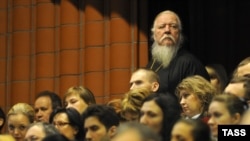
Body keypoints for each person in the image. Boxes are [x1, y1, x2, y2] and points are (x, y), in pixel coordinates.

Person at [146, 10, 210, 95]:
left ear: (179, 33)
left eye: (173, 26)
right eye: (161, 26)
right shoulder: (151, 64)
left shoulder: (190, 63)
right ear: (154, 34)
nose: (167, 30)